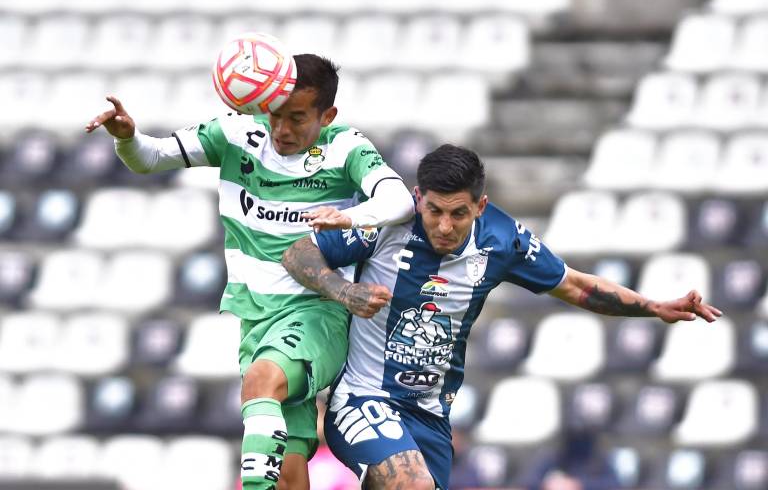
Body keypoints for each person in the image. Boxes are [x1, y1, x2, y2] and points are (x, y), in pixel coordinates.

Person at [281, 144, 722, 490]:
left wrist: (652, 307)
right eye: (434, 211)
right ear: (417, 198)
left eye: (458, 213)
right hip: (363, 397)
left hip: (430, 415)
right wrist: (345, 291)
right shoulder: (386, 221)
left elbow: (574, 285)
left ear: (480, 205)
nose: (445, 226)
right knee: (411, 484)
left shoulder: (502, 239)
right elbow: (298, 253)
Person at [85, 54, 414, 490]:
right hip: (255, 318)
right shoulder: (237, 132)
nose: (282, 129)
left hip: (316, 310)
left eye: (298, 118)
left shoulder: (345, 147)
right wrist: (128, 137)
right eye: (275, 114)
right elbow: (151, 158)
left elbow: (399, 201)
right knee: (288, 472)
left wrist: (350, 217)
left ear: (327, 115)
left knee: (262, 382)